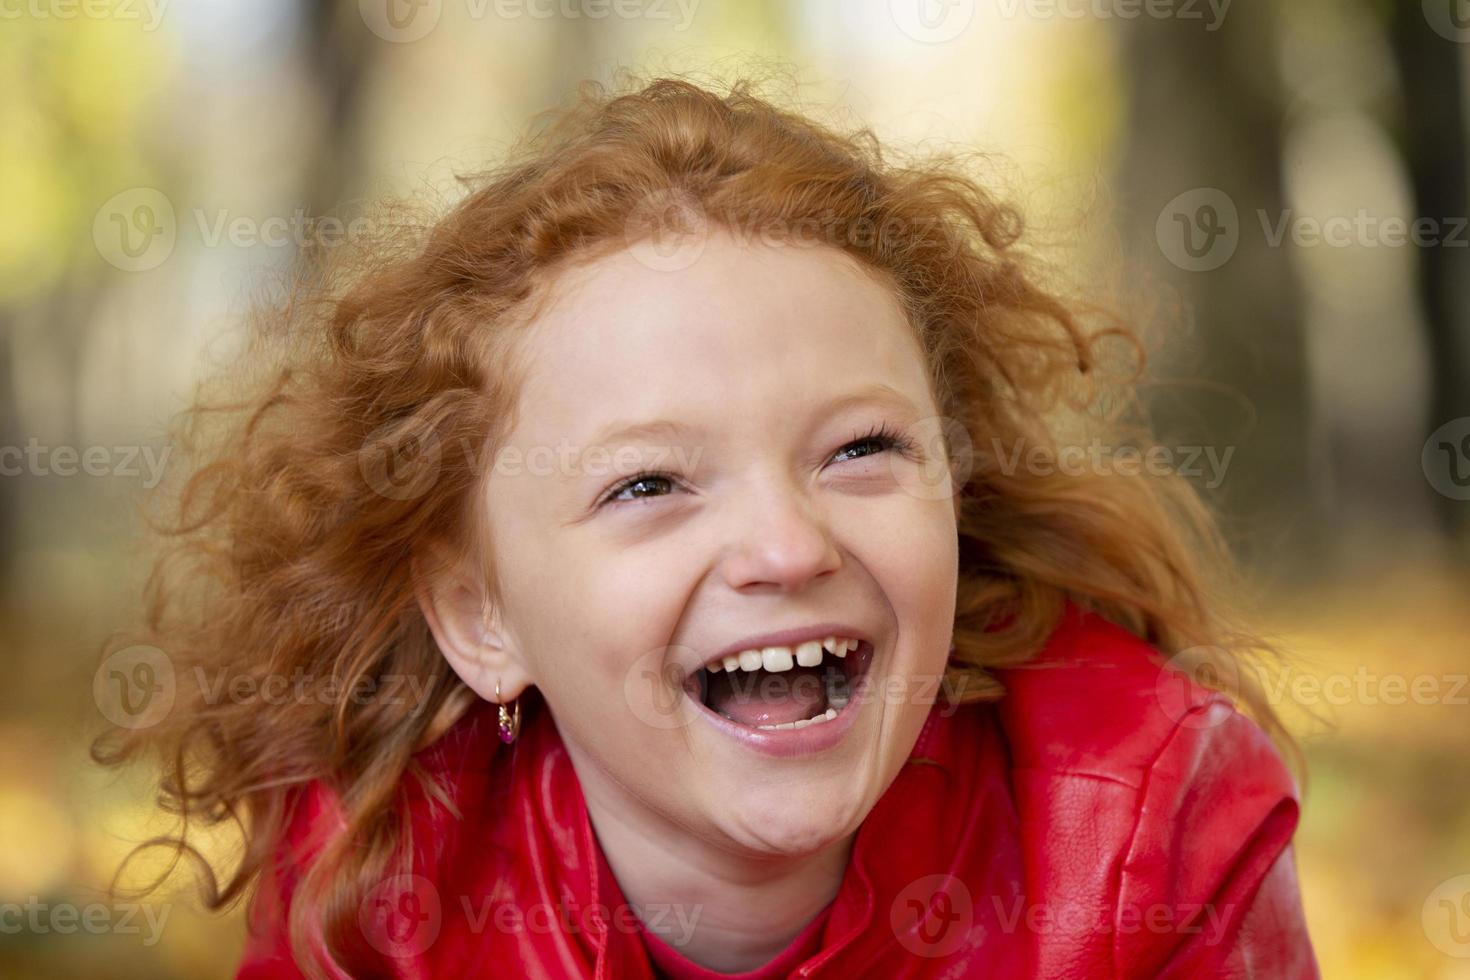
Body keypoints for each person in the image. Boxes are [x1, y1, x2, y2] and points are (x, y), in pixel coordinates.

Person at [93, 74, 1320, 978]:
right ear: (480, 615)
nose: (788, 547)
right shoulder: (381, 875)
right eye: (649, 485)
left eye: (862, 450)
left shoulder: (1143, 819)